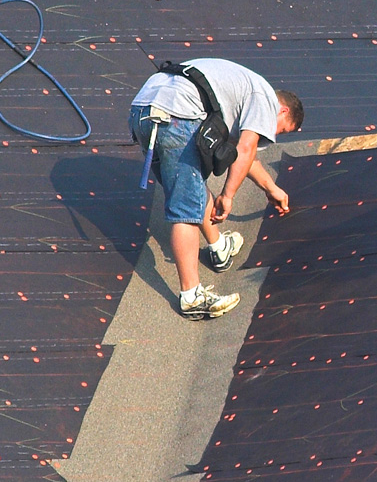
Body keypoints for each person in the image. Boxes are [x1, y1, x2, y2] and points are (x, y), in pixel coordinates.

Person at [128, 59, 304, 319]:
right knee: (185, 208)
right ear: (283, 111)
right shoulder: (265, 98)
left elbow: (244, 156)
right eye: (283, 130)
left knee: (189, 187)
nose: (275, 135)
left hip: (143, 111)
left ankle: (219, 247)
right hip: (176, 115)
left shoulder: (242, 93)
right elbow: (246, 149)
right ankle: (191, 296)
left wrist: (270, 187)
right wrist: (228, 195)